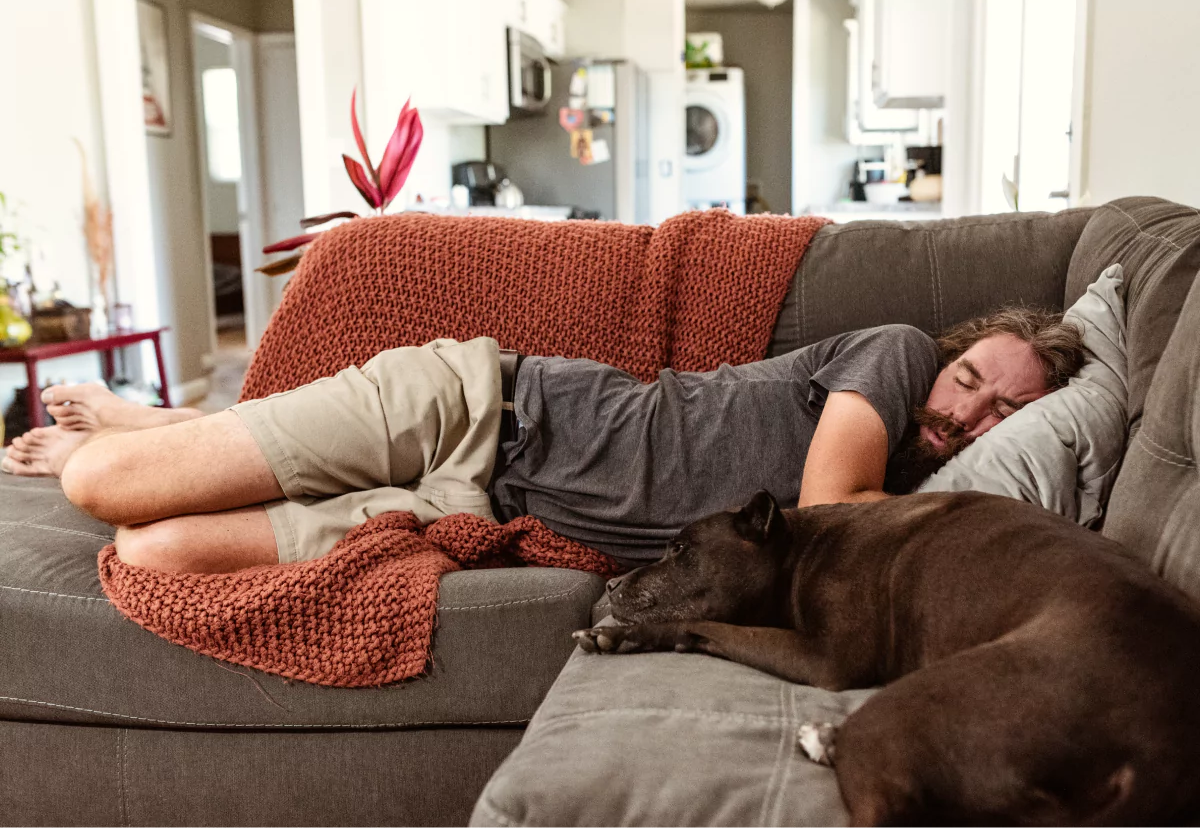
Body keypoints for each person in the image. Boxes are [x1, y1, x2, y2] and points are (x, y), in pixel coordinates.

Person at [1, 308, 1085, 573]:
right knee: (100, 481)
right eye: (970, 378)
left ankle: (202, 429)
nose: (967, 414)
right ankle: (176, 421)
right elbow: (834, 509)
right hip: (483, 407)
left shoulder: (913, 482)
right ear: (945, 356)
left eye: (1004, 415)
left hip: (472, 511)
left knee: (158, 551)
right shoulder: (895, 354)